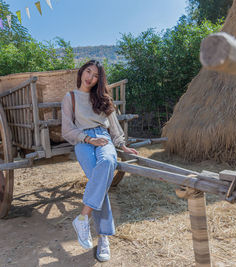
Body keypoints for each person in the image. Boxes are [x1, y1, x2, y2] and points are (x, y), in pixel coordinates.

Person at [61, 60, 138, 262]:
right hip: (83, 140)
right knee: (99, 181)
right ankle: (104, 238)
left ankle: (83, 217)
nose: (90, 77)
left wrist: (122, 146)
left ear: (98, 80)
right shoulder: (70, 98)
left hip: (103, 137)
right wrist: (88, 139)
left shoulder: (102, 99)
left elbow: (114, 126)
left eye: (95, 76)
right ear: (82, 72)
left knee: (106, 164)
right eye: (88, 72)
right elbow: (67, 129)